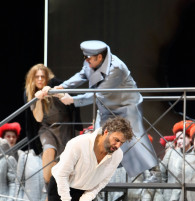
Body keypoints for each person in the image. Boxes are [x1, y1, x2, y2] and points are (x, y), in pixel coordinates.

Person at [42, 40, 157, 179]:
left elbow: (99, 94)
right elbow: (82, 75)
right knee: (98, 139)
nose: (86, 61)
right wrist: (63, 86)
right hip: (106, 108)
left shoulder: (116, 68)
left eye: (89, 59)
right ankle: (97, 177)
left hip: (126, 106)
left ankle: (155, 172)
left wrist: (72, 100)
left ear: (100, 57)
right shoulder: (91, 60)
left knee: (135, 140)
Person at [24, 63, 82, 188]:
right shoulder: (30, 93)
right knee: (48, 149)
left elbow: (71, 100)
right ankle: (48, 188)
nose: (39, 79)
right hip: (47, 128)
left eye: (42, 76)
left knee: (62, 160)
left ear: (47, 77)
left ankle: (58, 191)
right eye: (37, 77)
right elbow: (38, 118)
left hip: (64, 126)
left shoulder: (55, 84)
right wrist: (38, 99)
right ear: (32, 79)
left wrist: (55, 92)